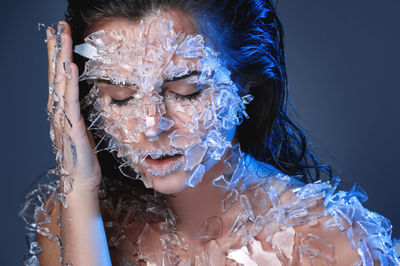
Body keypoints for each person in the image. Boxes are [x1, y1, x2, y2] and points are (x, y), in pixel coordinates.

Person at [19, 0, 400, 265]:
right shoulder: (69, 218)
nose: (152, 126)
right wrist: (79, 189)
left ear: (245, 82)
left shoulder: (339, 245)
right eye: (120, 98)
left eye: (186, 91)